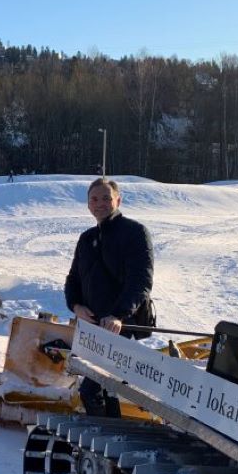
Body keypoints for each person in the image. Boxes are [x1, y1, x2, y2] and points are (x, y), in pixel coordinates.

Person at [64, 177, 154, 417]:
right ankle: (110, 433)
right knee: (105, 390)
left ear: (118, 200)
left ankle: (102, 438)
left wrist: (119, 315)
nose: (100, 203)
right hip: (92, 328)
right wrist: (76, 305)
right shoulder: (86, 239)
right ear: (88, 205)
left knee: (91, 391)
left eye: (106, 198)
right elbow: (73, 279)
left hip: (119, 328)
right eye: (94, 199)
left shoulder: (135, 233)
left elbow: (141, 282)